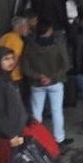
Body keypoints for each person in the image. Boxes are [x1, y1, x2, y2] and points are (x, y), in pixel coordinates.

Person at [21, 20, 73, 150]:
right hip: (55, 83)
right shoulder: (57, 45)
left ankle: (37, 139)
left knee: (37, 113)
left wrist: (39, 76)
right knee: (57, 111)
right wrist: (51, 77)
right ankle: (59, 139)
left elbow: (25, 67)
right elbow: (66, 64)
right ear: (49, 31)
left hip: (37, 84)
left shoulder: (30, 46)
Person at [0, 17, 30, 107]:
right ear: (20, 27)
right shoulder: (18, 41)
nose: (27, 29)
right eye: (26, 26)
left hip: (0, 76)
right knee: (17, 105)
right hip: (14, 77)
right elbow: (14, 60)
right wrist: (8, 75)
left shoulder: (4, 37)